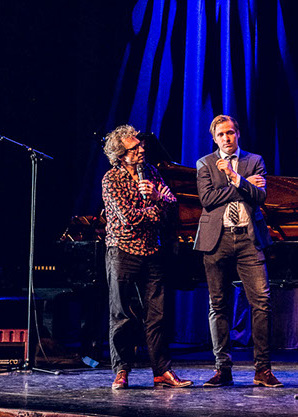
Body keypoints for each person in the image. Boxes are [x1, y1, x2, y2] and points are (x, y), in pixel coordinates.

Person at [194, 114, 282, 388]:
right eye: (221, 134)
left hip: (248, 239)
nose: (226, 138)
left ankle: (262, 369)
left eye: (230, 132)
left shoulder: (255, 160)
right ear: (214, 138)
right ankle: (223, 369)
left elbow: (260, 196)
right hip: (217, 239)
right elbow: (207, 199)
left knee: (262, 302)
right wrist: (242, 184)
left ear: (238, 133)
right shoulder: (205, 163)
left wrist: (234, 177)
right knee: (218, 305)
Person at [101, 124, 191, 389]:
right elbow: (128, 218)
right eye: (134, 148)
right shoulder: (111, 179)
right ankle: (121, 370)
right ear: (121, 155)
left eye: (140, 145)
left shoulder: (151, 172)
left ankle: (162, 371)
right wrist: (157, 205)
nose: (141, 149)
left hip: (152, 250)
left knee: (157, 316)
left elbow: (172, 205)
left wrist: (157, 197)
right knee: (121, 314)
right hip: (122, 251)